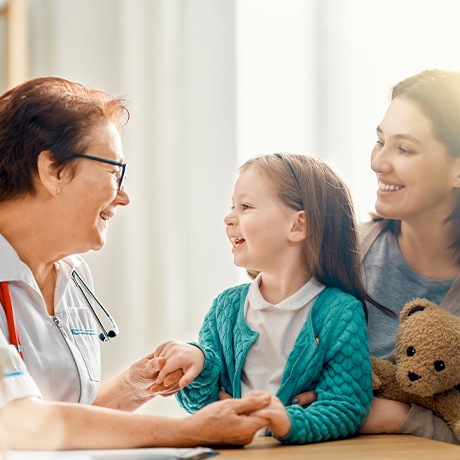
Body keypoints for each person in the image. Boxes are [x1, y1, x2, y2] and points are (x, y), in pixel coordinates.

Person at [0, 76, 272, 449]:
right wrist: (193, 432)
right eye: (115, 172)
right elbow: (22, 423)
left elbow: (70, 416)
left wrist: (133, 385)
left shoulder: (73, 274)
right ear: (54, 171)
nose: (124, 197)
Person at [151, 153, 392, 444]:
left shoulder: (339, 313)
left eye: (246, 206)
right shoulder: (226, 308)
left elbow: (347, 405)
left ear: (297, 225)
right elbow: (203, 405)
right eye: (232, 206)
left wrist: (287, 422)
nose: (229, 218)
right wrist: (197, 362)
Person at [292, 69, 460, 444]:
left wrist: (399, 418)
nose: (378, 162)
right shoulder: (341, 248)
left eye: (405, 149)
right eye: (379, 141)